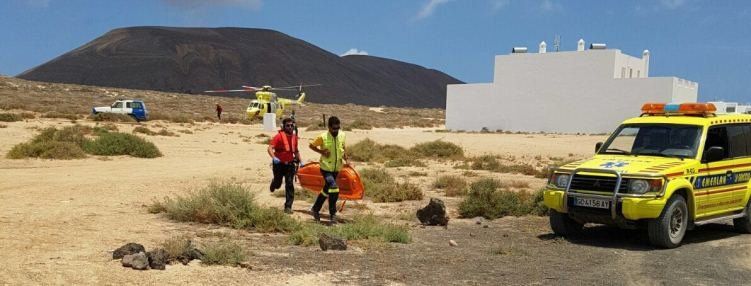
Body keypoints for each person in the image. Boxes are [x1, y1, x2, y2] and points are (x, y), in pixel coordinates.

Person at [309, 116, 349, 224]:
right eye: (334, 129)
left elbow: (343, 146)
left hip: (337, 168)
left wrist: (345, 156)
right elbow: (311, 146)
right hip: (325, 168)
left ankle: (315, 209)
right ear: (329, 127)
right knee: (334, 188)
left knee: (326, 190)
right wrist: (322, 152)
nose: (336, 131)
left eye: (338, 128)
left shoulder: (342, 135)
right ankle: (333, 214)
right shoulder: (322, 137)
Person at [268, 118, 301, 214]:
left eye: (291, 125)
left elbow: (296, 151)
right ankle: (274, 183)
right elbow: (270, 148)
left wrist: (300, 160)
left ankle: (288, 207)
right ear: (284, 127)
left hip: (290, 164)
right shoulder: (278, 137)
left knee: (289, 184)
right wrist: (274, 157)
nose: (290, 127)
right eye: (288, 125)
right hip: (279, 164)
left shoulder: (295, 137)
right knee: (278, 184)